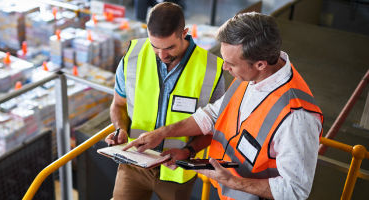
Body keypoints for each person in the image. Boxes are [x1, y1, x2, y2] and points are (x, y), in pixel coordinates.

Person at [124, 12, 324, 200]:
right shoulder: (251, 75)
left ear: (261, 64)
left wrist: (232, 181)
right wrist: (163, 134)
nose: (224, 67)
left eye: (231, 63)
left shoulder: (297, 118)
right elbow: (213, 115)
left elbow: (295, 190)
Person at [104, 2, 225, 200]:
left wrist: (188, 151)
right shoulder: (133, 56)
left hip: (177, 171)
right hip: (134, 162)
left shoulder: (211, 69)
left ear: (184, 33)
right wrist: (121, 129)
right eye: (155, 47)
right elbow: (118, 104)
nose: (161, 55)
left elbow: (216, 128)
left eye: (169, 48)